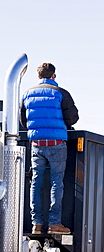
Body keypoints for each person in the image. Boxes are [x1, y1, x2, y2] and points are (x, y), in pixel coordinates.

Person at [20, 62, 79, 235]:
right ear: (54, 76)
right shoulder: (61, 93)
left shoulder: (27, 94)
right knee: (56, 183)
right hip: (57, 144)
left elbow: (23, 121)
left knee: (36, 183)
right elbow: (73, 118)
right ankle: (54, 224)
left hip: (36, 145)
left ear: (38, 77)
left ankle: (36, 224)